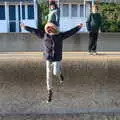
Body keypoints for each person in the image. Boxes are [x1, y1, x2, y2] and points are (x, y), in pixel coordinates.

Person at [20, 22, 83, 103]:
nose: (49, 30)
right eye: (48, 28)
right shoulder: (44, 35)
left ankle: (60, 74)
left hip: (57, 58)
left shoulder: (60, 36)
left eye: (51, 28)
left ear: (55, 29)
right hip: (48, 58)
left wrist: (78, 27)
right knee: (48, 75)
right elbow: (34, 31)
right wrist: (25, 27)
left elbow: (70, 32)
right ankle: (49, 91)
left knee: (55, 72)